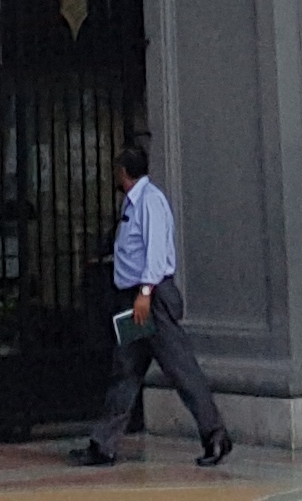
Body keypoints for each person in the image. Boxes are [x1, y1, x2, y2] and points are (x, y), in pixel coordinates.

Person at [73, 145, 229, 470]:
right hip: (134, 300)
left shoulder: (150, 201)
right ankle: (103, 445)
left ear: (124, 171)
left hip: (151, 300)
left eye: (117, 169)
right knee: (125, 369)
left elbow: (156, 251)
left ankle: (215, 434)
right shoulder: (132, 203)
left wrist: (144, 292)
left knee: (180, 368)